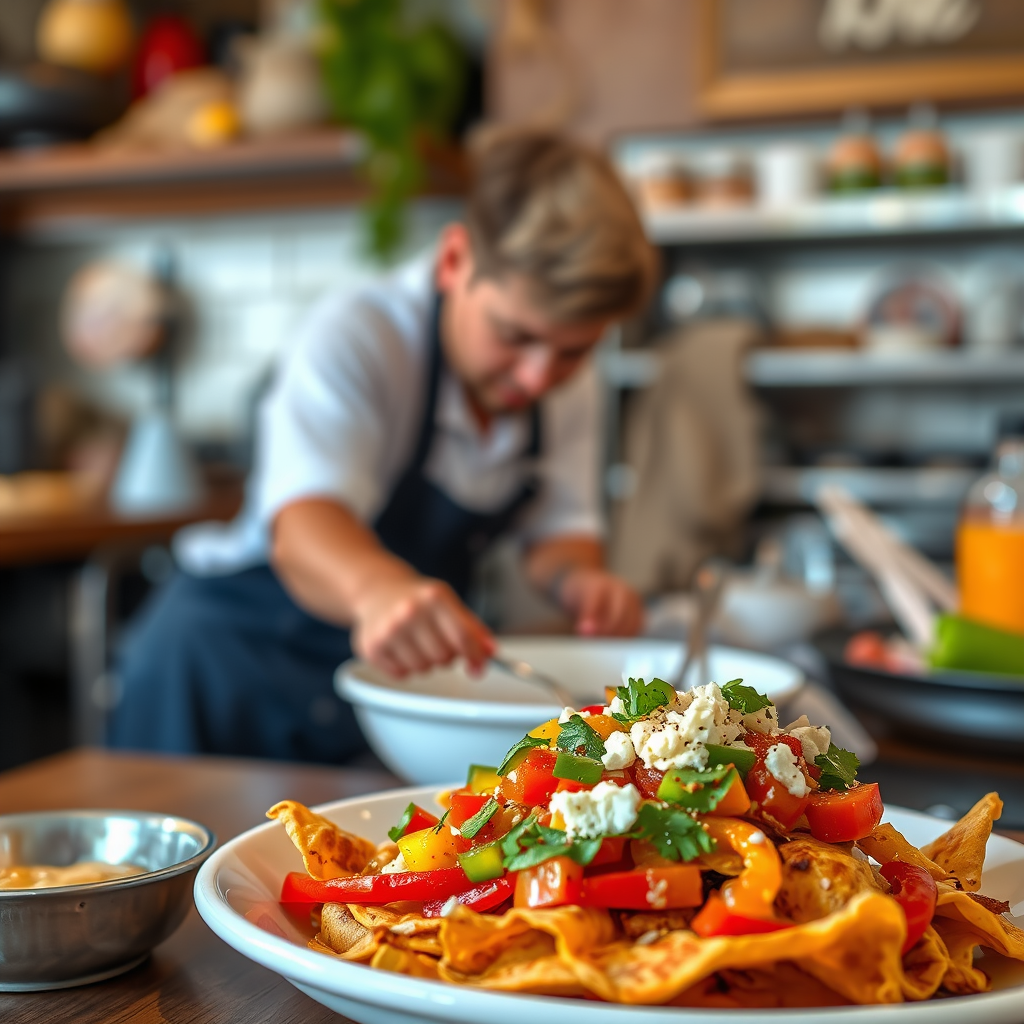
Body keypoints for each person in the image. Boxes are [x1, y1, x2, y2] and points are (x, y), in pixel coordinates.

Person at [109, 128, 658, 763]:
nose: (538, 377)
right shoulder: (359, 335)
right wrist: (377, 591)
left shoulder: (566, 380)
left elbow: (560, 529)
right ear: (456, 260)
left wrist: (580, 582)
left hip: (366, 691)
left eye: (573, 351)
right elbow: (303, 523)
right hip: (223, 666)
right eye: (514, 335)